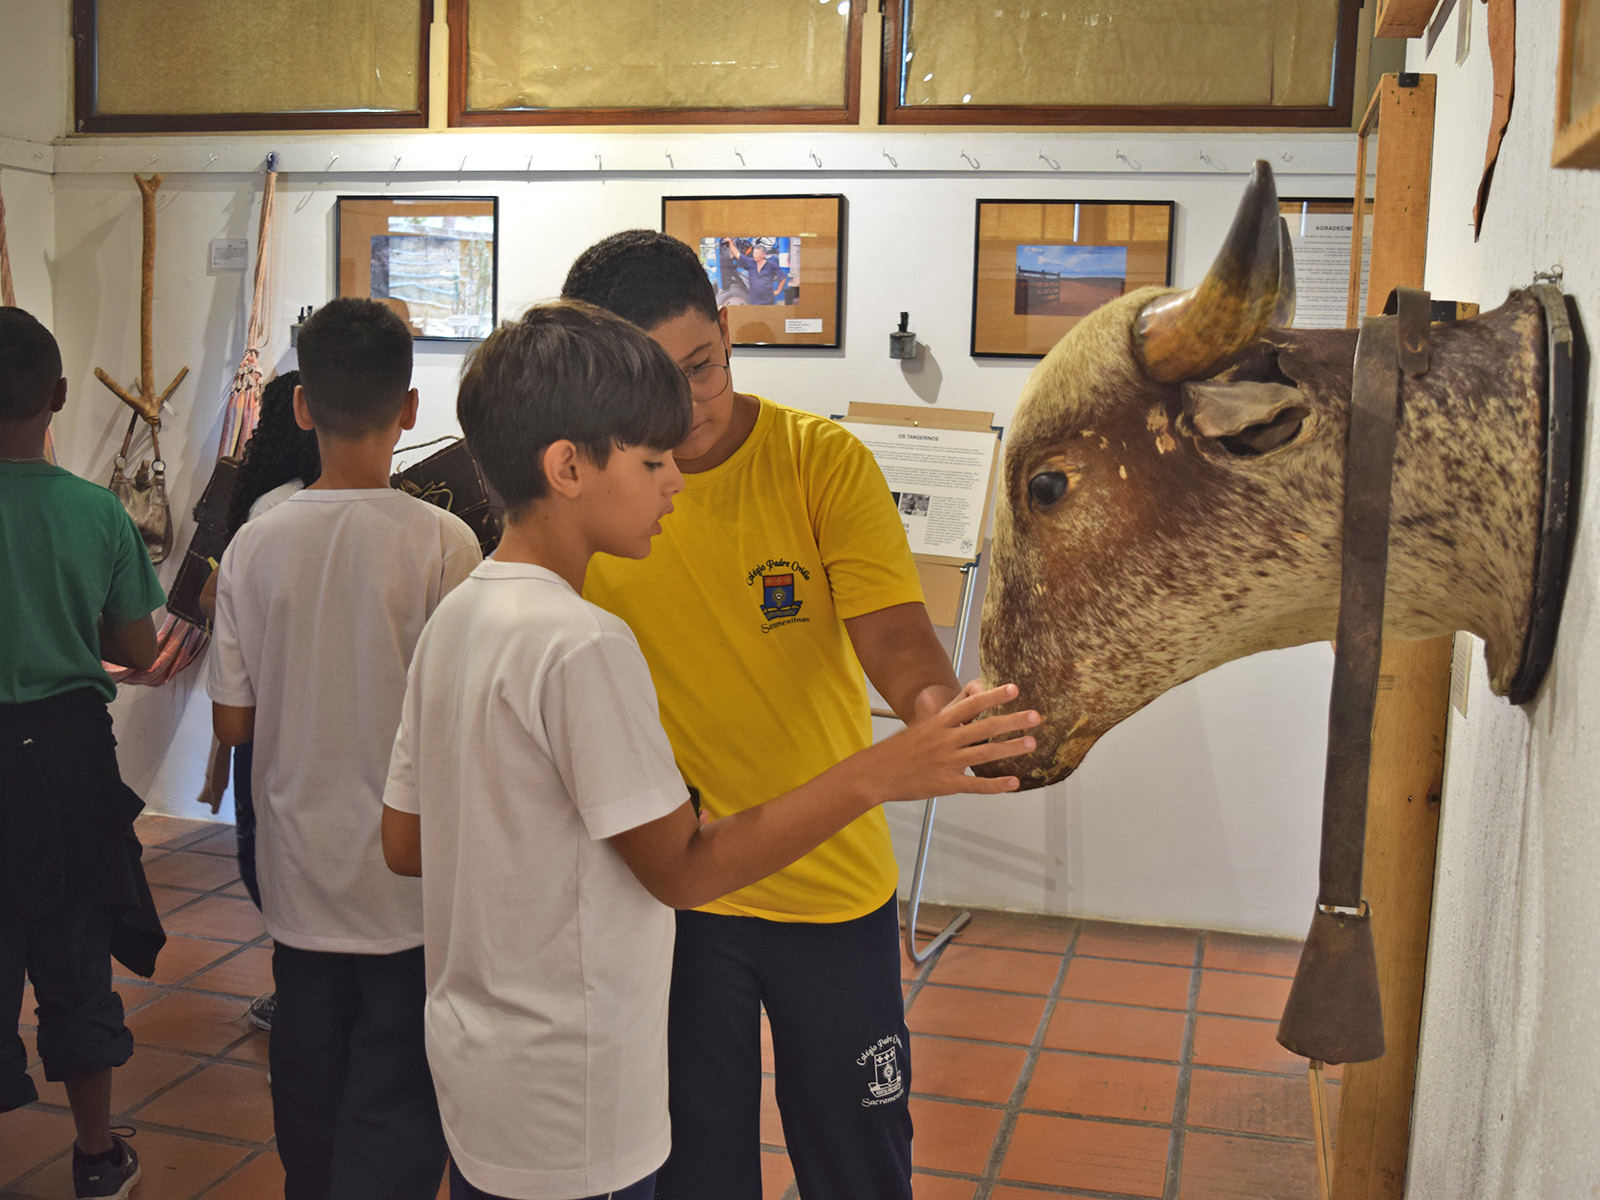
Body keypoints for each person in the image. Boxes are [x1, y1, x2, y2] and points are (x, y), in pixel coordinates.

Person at [378, 300, 1034, 1200]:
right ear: (567, 467)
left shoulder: (459, 615)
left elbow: (405, 842)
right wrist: (882, 771)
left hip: (483, 1065)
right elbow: (683, 872)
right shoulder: (585, 641)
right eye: (651, 461)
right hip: (580, 1080)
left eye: (703, 368)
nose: (674, 482)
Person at [562, 231, 974, 1200]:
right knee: (693, 1170)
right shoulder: (591, 500)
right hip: (672, 893)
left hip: (829, 884)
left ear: (728, 333)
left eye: (702, 366)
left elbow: (895, 633)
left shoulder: (816, 460)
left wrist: (936, 711)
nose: (688, 406)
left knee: (860, 1160)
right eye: (651, 382)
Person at [207, 298, 481, 1200]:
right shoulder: (446, 544)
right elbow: (462, 718)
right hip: (410, 877)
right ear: (410, 408)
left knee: (308, 1083)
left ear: (300, 406)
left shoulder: (254, 546)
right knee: (399, 1093)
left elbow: (233, 726)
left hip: (298, 874)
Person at [0, 306, 166, 1200]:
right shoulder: (95, 511)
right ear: (61, 395)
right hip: (67, 758)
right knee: (74, 950)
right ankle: (97, 1156)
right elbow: (137, 649)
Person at [194, 369, 320, 1032]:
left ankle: (300, 993)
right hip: (335, 720)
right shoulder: (411, 520)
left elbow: (230, 612)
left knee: (266, 852)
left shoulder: (269, 512)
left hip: (273, 717)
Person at [721, 237, 788, 305]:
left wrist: (778, 290)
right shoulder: (750, 262)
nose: (755, 255)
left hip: (768, 301)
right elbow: (737, 254)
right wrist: (730, 242)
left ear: (763, 255)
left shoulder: (772, 265)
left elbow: (783, 278)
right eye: (754, 253)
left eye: (757, 254)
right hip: (754, 301)